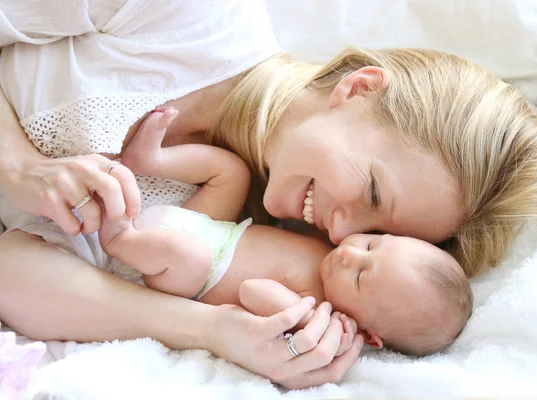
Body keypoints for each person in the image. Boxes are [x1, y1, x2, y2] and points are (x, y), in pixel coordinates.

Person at [0, 0, 537, 389]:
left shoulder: (230, 232)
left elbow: (14, 271)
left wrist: (215, 332)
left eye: (377, 237)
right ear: (360, 88)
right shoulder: (194, 18)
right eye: (372, 192)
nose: (343, 235)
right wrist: (21, 167)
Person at [95, 106, 473, 357]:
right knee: (232, 173)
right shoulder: (328, 247)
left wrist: (301, 315)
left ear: (370, 333)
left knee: (191, 257)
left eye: (359, 277)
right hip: (216, 229)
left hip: (189, 275)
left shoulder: (312, 307)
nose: (349, 253)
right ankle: (151, 160)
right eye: (373, 244)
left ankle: (117, 237)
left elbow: (249, 290)